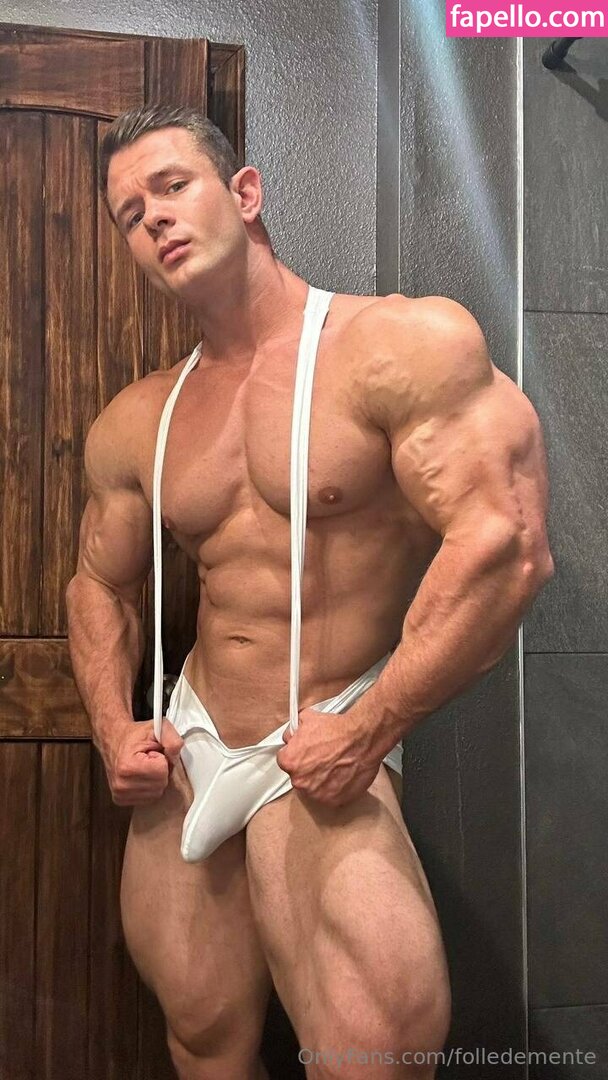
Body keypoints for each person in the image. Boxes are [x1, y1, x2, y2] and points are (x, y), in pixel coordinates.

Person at [66, 104, 554, 1080]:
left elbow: (504, 548)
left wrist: (370, 730)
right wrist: (114, 727)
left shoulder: (396, 346)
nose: (153, 217)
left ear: (244, 193)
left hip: (329, 731)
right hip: (193, 739)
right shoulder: (139, 417)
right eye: (129, 214)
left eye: (172, 186)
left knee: (373, 1052)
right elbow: (98, 586)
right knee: (201, 1040)